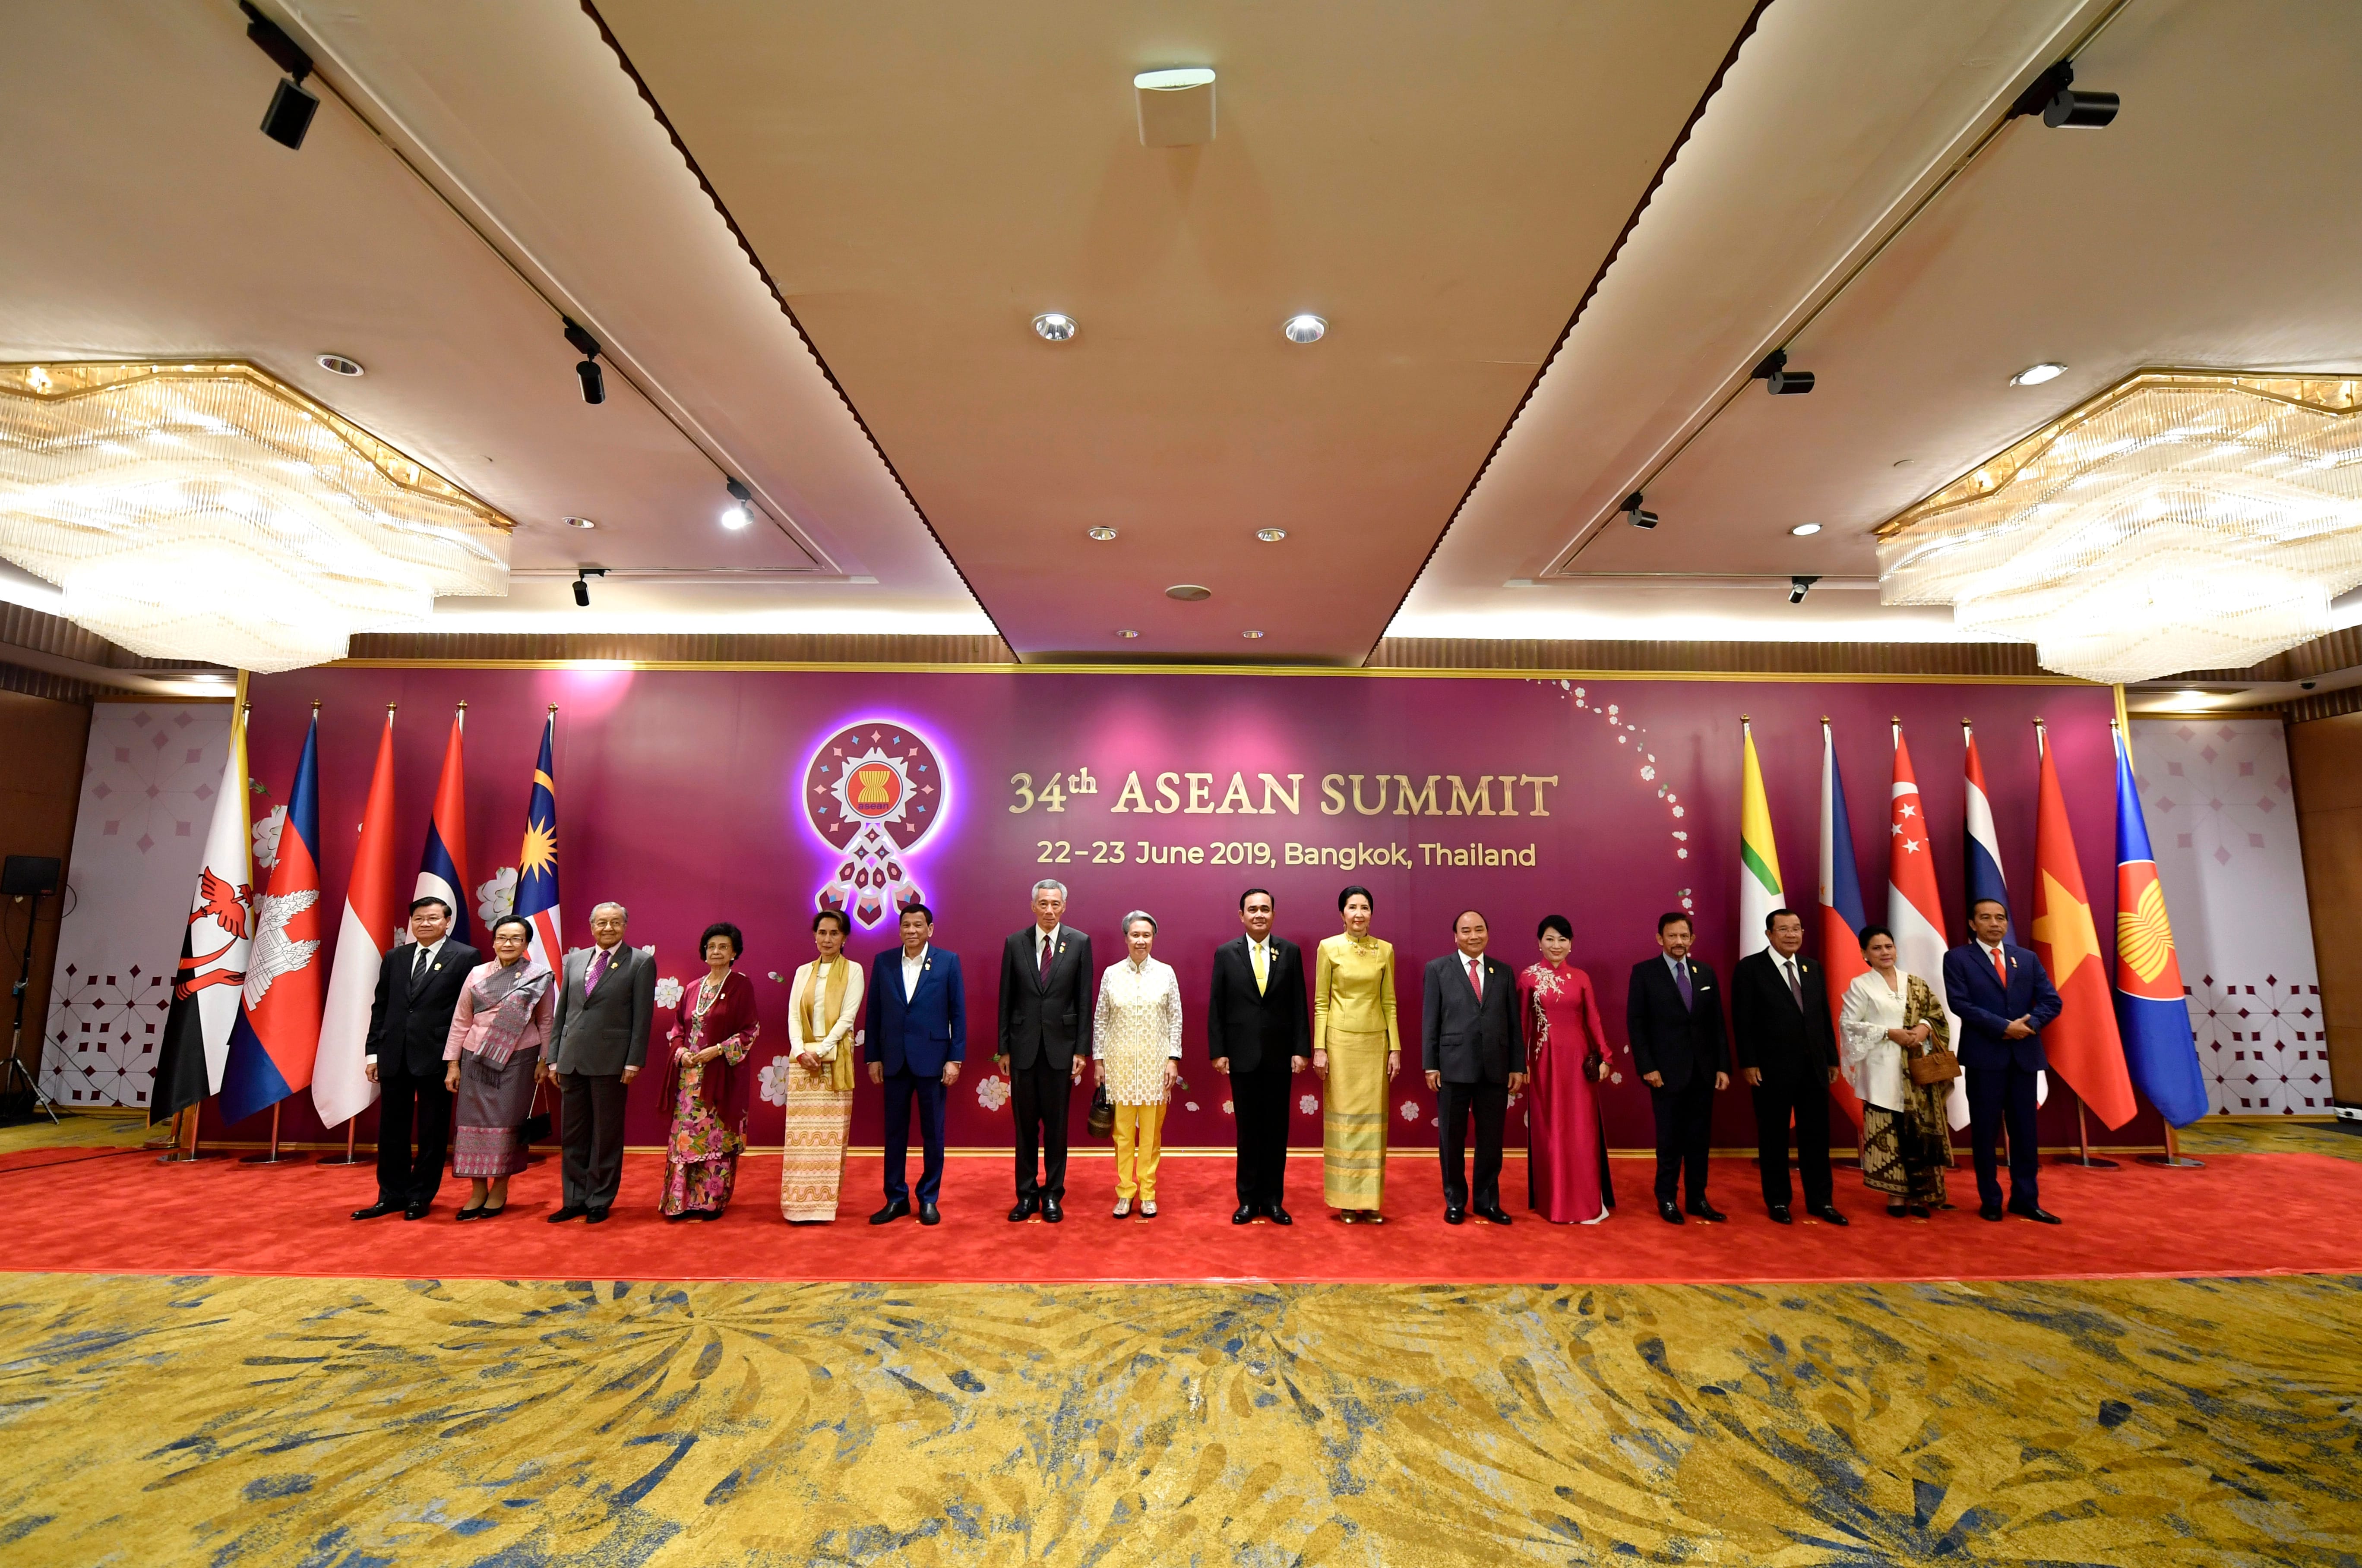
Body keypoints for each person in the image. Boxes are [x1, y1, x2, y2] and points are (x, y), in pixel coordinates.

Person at [352, 896, 481, 1221]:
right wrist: (373, 1052)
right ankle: (391, 1195)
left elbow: (467, 1011)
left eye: (433, 918)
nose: (425, 923)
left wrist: (456, 1058)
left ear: (447, 921)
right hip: (393, 1054)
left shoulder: (466, 956)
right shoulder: (396, 956)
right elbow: (381, 1006)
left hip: (437, 1056)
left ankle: (420, 1196)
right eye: (419, 918)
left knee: (431, 1130)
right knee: (391, 1130)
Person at [1943, 897, 2064, 1224]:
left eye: (2000, 918)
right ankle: (1991, 1199)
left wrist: (2029, 1025)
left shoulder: (2025, 958)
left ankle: (2025, 1199)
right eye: (1985, 917)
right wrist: (2003, 1027)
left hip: (2024, 1057)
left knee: (2025, 1133)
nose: (1994, 923)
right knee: (1985, 1132)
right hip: (1985, 1058)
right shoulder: (1957, 958)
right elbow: (1960, 1004)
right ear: (1973, 923)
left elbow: (2052, 1001)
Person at [1730, 907, 1848, 1227]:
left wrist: (1831, 1057)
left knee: (1816, 1137)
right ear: (1769, 934)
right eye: (1783, 929)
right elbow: (1742, 1020)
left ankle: (1821, 1201)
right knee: (1773, 1137)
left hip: (1813, 1067)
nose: (1792, 934)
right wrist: (1749, 1061)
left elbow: (1823, 1015)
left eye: (1796, 928)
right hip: (1770, 1069)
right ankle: (1779, 1200)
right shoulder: (1750, 968)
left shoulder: (1812, 968)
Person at [544, 901, 655, 1224]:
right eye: (602, 923)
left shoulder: (640, 962)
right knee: (574, 1135)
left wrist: (634, 1061)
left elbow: (642, 1017)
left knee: (605, 1134)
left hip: (611, 1061)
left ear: (625, 926)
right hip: (571, 1060)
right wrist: (553, 1057)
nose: (608, 928)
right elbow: (562, 1012)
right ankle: (574, 1198)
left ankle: (599, 1199)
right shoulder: (576, 959)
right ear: (592, 926)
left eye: (615, 922)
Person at [1207, 887, 1309, 1224]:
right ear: (1242, 916)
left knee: (1277, 1131)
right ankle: (1248, 1200)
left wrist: (1300, 1049)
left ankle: (1273, 1200)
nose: (1259, 914)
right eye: (1252, 909)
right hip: (1242, 1057)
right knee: (1248, 1131)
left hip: (1280, 1057)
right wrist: (1219, 1051)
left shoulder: (1290, 952)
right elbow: (1217, 1007)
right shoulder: (1226, 953)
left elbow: (1299, 1005)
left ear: (1273, 915)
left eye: (1265, 909)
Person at [442, 914, 553, 1221]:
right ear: (493, 941)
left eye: (516, 938)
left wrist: (545, 1060)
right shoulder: (477, 974)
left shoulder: (539, 975)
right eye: (503, 937)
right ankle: (477, 1190)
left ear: (526, 944)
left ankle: (500, 1188)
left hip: (518, 1059)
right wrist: (453, 1064)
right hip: (475, 1057)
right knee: (472, 1124)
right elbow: (461, 1019)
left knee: (507, 1127)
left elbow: (546, 1021)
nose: (508, 943)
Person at [1420, 909, 1527, 1225]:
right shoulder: (1438, 969)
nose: (1473, 936)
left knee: (1491, 1141)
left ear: (1488, 933)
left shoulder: (1503, 972)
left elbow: (1513, 1023)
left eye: (1479, 929)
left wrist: (1517, 1065)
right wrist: (1430, 1065)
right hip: (1452, 1068)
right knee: (1451, 1140)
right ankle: (1455, 1200)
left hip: (1495, 1068)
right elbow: (1430, 1021)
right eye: (1466, 931)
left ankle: (1487, 1201)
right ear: (1455, 936)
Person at [996, 879, 1093, 1223]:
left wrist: (1082, 1049)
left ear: (1064, 906)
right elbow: (1005, 998)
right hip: (1022, 1050)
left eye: (1055, 904)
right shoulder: (1015, 942)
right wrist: (1003, 1049)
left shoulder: (1079, 942)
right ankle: (1026, 1195)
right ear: (1033, 906)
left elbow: (1084, 999)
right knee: (1024, 1129)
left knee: (1056, 1128)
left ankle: (1053, 1194)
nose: (1049, 910)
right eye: (1043, 903)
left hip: (1061, 1050)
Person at [1840, 924, 1952, 1218]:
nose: (1884, 952)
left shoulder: (1914, 982)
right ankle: (1894, 1195)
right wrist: (1889, 1033)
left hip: (1917, 1074)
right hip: (1881, 1074)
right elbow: (1849, 1025)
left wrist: (1922, 1028)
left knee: (1919, 1132)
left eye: (1888, 946)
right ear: (1865, 954)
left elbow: (1937, 1017)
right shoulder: (1860, 985)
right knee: (1889, 1134)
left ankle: (1920, 1195)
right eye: (1876, 948)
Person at [1626, 911, 1730, 1224]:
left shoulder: (1705, 973)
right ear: (1660, 938)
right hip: (1665, 1073)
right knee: (1669, 1141)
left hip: (1703, 1072)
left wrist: (1723, 1067)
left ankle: (1697, 1198)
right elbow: (1636, 1024)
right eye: (1672, 936)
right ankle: (1667, 1198)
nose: (1678, 942)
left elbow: (1717, 1026)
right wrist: (1647, 1067)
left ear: (1692, 939)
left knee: (1699, 1141)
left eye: (1684, 936)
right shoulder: (1644, 973)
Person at [867, 902, 965, 1225]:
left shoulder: (948, 962)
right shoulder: (883, 962)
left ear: (930, 929)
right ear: (899, 930)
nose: (912, 930)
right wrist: (873, 1057)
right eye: (906, 925)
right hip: (894, 1060)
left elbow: (958, 1014)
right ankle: (895, 1198)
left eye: (918, 925)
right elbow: (874, 1013)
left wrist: (955, 1058)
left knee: (933, 1133)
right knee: (894, 1133)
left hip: (933, 1061)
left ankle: (928, 1198)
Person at [659, 921, 759, 1220]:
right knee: (685, 1140)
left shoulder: (741, 985)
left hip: (721, 1077)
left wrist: (716, 1051)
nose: (716, 951)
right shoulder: (692, 988)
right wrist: (681, 1052)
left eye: (723, 947)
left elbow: (751, 1030)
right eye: (711, 946)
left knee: (715, 1139)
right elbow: (678, 1027)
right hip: (690, 1079)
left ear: (734, 953)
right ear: (704, 951)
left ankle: (710, 1201)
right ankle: (680, 1201)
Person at [1518, 915, 1613, 1225]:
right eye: (1550, 938)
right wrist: (1520, 1065)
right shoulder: (1528, 977)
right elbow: (1521, 1025)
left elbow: (1594, 1020)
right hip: (1544, 1061)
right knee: (1552, 1131)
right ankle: (1555, 1203)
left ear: (1571, 944)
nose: (1556, 945)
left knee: (1581, 1132)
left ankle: (1586, 1203)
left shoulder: (1582, 977)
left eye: (1562, 939)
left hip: (1579, 1063)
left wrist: (1605, 1057)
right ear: (1539, 942)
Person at [1312, 884, 1400, 1222]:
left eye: (1365, 907)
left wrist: (1396, 1047)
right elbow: (1321, 1002)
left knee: (1372, 1122)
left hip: (1375, 1042)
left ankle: (1372, 1200)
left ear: (1371, 913)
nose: (1359, 913)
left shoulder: (1385, 950)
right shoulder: (1328, 948)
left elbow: (1389, 1002)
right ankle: (1346, 1200)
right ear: (1342, 913)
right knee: (1344, 1123)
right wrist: (1319, 1047)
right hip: (1339, 1042)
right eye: (1352, 907)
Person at [1091, 911, 1183, 1218]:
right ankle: (1124, 1191)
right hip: (1118, 1066)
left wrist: (1173, 1058)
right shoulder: (1111, 973)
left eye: (1146, 935)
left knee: (1150, 1135)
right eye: (1135, 935)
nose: (1140, 940)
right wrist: (1099, 1061)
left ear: (1153, 938)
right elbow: (1101, 1019)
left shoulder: (1166, 973)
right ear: (1126, 938)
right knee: (1121, 1134)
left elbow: (1175, 1020)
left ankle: (1147, 1192)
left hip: (1154, 1067)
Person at [781, 909, 864, 1223]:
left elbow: (848, 1017)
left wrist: (823, 1049)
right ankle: (795, 1205)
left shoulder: (854, 970)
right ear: (814, 935)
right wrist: (801, 1051)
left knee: (830, 1139)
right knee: (800, 1139)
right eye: (822, 932)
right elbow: (792, 1014)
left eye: (834, 933)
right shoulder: (803, 971)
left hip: (834, 1060)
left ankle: (822, 1206)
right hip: (803, 1062)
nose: (827, 939)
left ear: (844, 938)